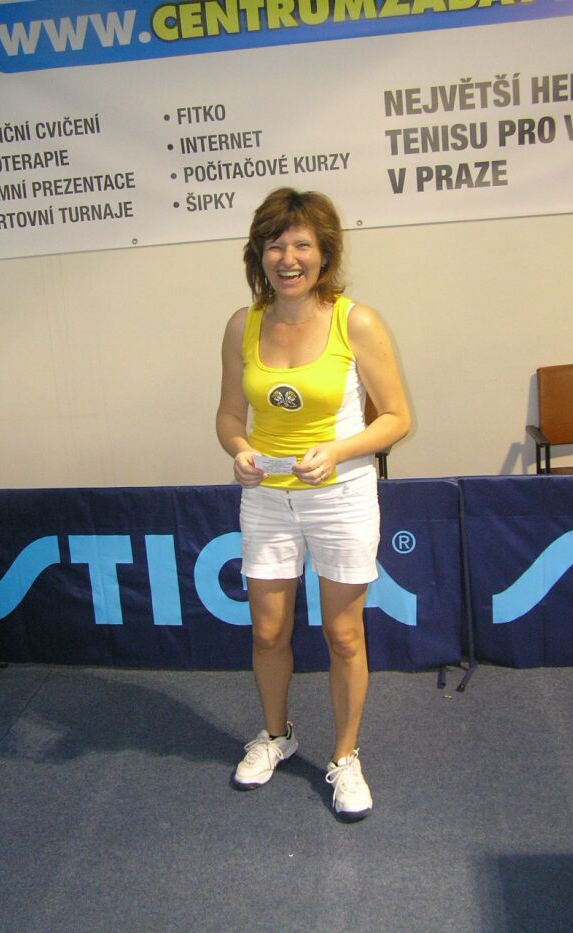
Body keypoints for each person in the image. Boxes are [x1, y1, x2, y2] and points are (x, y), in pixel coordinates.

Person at [216, 188, 410, 821]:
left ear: (324, 253)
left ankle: (346, 757)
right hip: (267, 497)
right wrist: (240, 450)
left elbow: (397, 418)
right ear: (259, 254)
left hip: (341, 494)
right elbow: (228, 414)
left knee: (343, 634)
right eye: (275, 245)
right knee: (268, 630)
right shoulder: (242, 324)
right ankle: (276, 736)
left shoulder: (357, 322)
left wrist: (339, 450)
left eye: (302, 244)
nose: (288, 258)